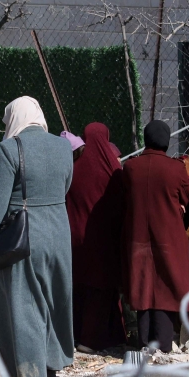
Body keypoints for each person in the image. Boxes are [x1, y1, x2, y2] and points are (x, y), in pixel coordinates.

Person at [0, 96, 74, 377]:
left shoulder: (8, 149)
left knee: (25, 305)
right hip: (59, 233)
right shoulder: (64, 146)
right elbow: (65, 186)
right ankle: (51, 370)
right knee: (53, 301)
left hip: (24, 236)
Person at [121, 120, 189, 353]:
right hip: (169, 239)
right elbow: (187, 195)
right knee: (166, 288)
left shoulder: (131, 167)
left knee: (143, 285)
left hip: (138, 238)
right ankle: (163, 344)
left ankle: (143, 341)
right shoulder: (176, 169)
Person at [65, 122, 126, 352]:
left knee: (80, 286)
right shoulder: (112, 170)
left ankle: (83, 333)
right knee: (101, 287)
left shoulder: (73, 166)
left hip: (73, 236)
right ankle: (91, 340)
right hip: (102, 237)